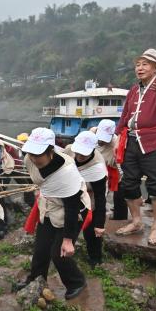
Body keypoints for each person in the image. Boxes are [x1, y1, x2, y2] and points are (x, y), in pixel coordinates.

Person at [114, 49, 156, 246]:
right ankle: (137, 221)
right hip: (132, 140)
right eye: (138, 64)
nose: (140, 68)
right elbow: (125, 115)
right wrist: (118, 135)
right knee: (129, 183)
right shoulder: (134, 89)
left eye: (145, 64)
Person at [17, 127, 89, 299]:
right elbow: (40, 181)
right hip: (49, 205)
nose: (33, 158)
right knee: (41, 248)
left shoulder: (66, 172)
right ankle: (36, 279)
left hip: (73, 209)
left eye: (38, 154)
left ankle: (76, 281)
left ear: (51, 151)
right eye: (31, 153)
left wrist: (68, 240)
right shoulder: (29, 159)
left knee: (59, 253)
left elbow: (72, 207)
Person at [64, 130, 107, 266]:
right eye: (78, 151)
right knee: (68, 224)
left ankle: (95, 258)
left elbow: (101, 197)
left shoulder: (98, 165)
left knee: (91, 230)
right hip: (69, 191)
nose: (79, 156)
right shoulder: (69, 150)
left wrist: (100, 224)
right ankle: (64, 254)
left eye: (84, 153)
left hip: (90, 195)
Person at [93, 119, 127, 220]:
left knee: (119, 193)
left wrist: (122, 180)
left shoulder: (115, 145)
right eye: (100, 137)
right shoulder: (91, 133)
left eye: (105, 139)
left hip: (110, 167)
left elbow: (121, 168)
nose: (102, 141)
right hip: (92, 165)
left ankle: (120, 217)